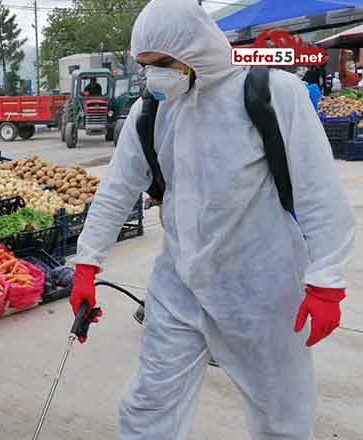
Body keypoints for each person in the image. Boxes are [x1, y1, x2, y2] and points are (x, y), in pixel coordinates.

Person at [68, 1, 355, 439]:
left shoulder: (273, 95)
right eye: (145, 66)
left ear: (197, 50)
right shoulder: (152, 112)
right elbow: (115, 191)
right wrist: (87, 265)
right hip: (179, 283)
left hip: (262, 288)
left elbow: (318, 191)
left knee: (280, 413)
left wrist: (327, 280)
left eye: (163, 63)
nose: (154, 76)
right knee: (149, 404)